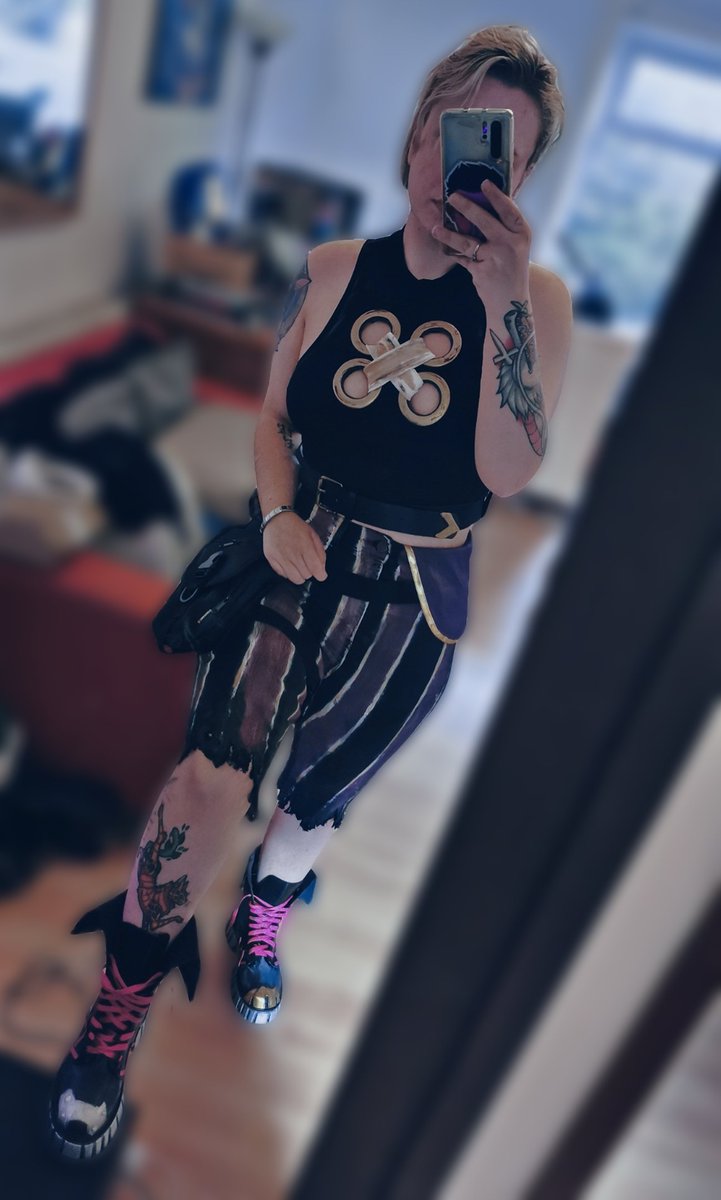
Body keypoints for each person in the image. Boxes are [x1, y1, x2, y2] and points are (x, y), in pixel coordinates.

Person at [47, 23, 573, 1161]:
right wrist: (280, 514)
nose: (462, 167)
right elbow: (273, 419)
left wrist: (500, 303)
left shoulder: (538, 304)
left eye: (501, 150)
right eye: (455, 132)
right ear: (421, 134)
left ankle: (263, 912)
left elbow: (505, 472)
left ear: (521, 176)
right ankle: (116, 1013)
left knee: (315, 806)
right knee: (207, 778)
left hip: (418, 589)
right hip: (299, 550)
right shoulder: (332, 270)